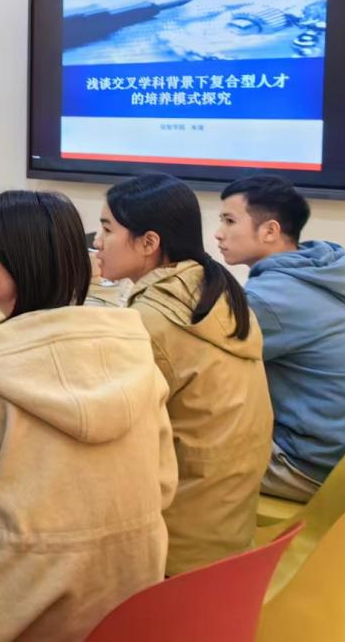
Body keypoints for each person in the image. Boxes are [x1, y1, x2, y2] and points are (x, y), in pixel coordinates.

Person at [0, 190, 176, 640]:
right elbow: (164, 487)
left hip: (14, 617)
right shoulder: (133, 351)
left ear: (15, 263)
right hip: (129, 607)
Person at [96, 173, 272, 575]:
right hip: (228, 525)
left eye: (106, 229)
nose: (98, 242)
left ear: (149, 243)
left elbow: (110, 430)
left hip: (177, 546)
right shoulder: (214, 287)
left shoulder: (153, 321)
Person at [217, 175, 345, 500]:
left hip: (318, 468)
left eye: (229, 221)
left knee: (180, 449)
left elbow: (206, 362)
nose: (218, 233)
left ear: (270, 231)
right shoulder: (323, 268)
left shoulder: (272, 298)